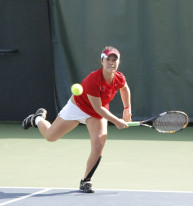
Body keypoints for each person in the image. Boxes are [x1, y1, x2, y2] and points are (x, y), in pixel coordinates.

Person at [22, 46, 132, 193]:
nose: (111, 62)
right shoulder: (93, 79)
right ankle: (37, 119)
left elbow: (125, 89)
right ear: (101, 61)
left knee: (99, 144)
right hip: (78, 107)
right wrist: (117, 121)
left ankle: (86, 181)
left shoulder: (119, 78)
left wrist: (127, 109)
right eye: (108, 59)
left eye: (114, 60)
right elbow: (98, 108)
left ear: (118, 62)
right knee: (50, 137)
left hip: (96, 114)